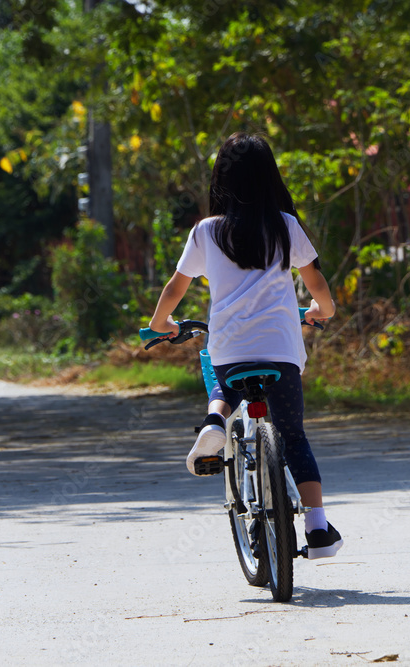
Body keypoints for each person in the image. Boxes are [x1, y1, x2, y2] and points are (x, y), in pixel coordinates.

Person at [146, 132, 342, 559]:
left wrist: (160, 323)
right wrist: (323, 309)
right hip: (282, 348)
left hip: (232, 347)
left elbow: (176, 286)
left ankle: (214, 423)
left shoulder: (206, 231)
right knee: (293, 435)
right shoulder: (286, 226)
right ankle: (318, 528)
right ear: (269, 177)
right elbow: (316, 283)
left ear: (222, 179)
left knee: (224, 384)